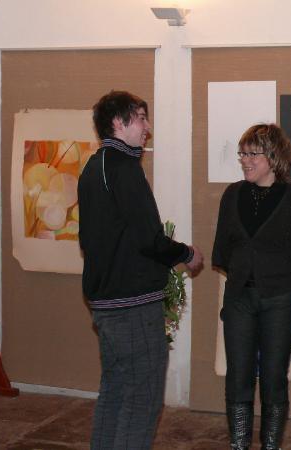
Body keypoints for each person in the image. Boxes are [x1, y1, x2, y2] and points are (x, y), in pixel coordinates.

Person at [78, 90, 203, 449]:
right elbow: (149, 239)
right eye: (142, 118)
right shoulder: (124, 168)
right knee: (142, 400)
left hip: (106, 303)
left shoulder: (93, 168)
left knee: (115, 391)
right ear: (119, 122)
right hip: (132, 305)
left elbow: (92, 239)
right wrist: (187, 253)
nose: (147, 127)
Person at [212, 123, 291, 450]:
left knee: (274, 378)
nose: (245, 160)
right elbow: (223, 248)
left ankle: (270, 446)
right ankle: (239, 445)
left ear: (274, 157)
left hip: (279, 301)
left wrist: (286, 289)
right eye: (242, 153)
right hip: (239, 299)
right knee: (238, 376)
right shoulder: (232, 195)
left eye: (253, 154)